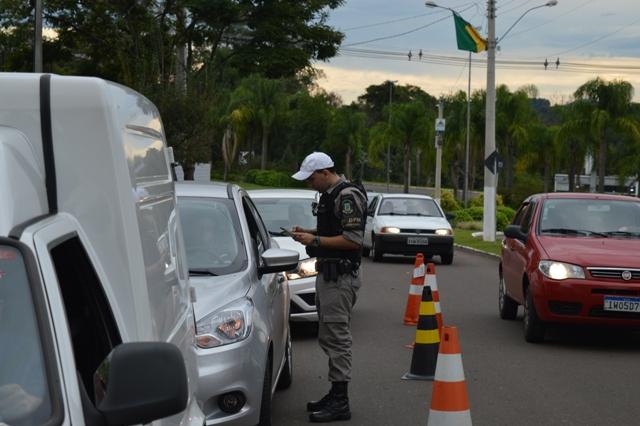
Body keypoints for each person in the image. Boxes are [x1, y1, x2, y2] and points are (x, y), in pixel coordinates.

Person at [290, 152, 366, 423]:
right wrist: (309, 233)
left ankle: (340, 401)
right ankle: (335, 393)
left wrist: (315, 240)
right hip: (329, 275)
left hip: (340, 278)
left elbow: (353, 240)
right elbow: (333, 232)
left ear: (324, 172)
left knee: (337, 338)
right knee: (328, 336)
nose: (310, 184)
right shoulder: (330, 195)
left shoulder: (347, 196)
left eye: (311, 179)